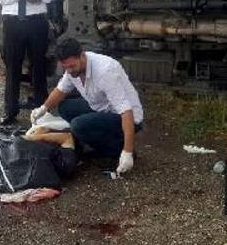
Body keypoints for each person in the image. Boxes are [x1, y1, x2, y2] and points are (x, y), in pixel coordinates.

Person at [30, 38, 144, 175]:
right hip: (101, 107)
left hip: (125, 117)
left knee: (78, 125)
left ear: (82, 56)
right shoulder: (72, 68)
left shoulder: (105, 71)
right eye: (65, 67)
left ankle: (116, 149)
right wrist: (43, 109)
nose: (69, 71)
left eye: (72, 66)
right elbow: (61, 90)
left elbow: (126, 111)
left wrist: (128, 151)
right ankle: (93, 137)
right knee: (65, 107)